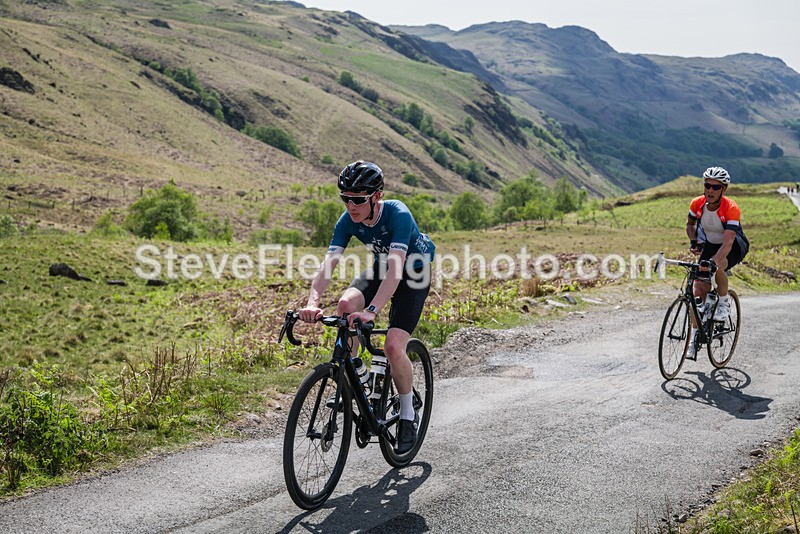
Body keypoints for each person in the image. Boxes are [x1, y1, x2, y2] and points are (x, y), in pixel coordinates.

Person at [298, 160, 435, 454]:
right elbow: (329, 263)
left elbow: (396, 271)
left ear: (377, 196)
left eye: (358, 199)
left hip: (413, 273)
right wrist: (312, 302)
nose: (351, 206)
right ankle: (357, 378)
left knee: (393, 347)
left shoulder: (398, 214)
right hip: (382, 268)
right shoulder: (347, 219)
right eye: (345, 198)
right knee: (345, 305)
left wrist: (371, 311)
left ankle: (408, 413)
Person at [685, 166, 749, 356]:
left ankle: (723, 302)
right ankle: (694, 338)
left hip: (734, 246)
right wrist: (694, 240)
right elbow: (690, 224)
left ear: (724, 189)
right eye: (707, 186)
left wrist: (714, 261)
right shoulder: (697, 204)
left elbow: (728, 242)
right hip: (711, 245)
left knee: (718, 264)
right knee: (698, 291)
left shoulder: (731, 208)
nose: (710, 190)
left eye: (716, 187)